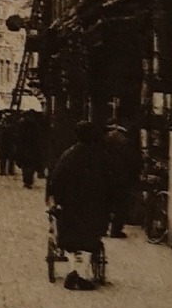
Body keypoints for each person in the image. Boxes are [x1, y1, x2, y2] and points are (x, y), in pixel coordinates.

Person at [46, 121, 116, 290]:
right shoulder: (101, 156)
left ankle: (73, 270)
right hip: (94, 207)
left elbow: (56, 180)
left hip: (71, 207)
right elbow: (110, 182)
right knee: (89, 240)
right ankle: (81, 275)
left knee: (70, 241)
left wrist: (58, 200)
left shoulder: (68, 155)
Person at [103, 121, 141, 238]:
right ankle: (116, 230)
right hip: (121, 176)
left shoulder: (105, 138)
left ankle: (103, 228)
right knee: (120, 203)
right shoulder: (125, 140)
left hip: (106, 175)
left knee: (105, 202)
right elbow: (132, 159)